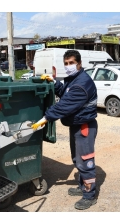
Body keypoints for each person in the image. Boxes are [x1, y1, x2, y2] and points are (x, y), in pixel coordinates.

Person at [31, 50, 98, 210]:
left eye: (71, 63)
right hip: (76, 124)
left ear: (79, 64)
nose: (68, 66)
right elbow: (65, 93)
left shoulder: (82, 84)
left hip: (84, 127)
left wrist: (45, 118)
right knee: (77, 158)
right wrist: (55, 83)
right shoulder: (74, 79)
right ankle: (83, 186)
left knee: (85, 162)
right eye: (66, 63)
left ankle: (90, 195)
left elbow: (64, 105)